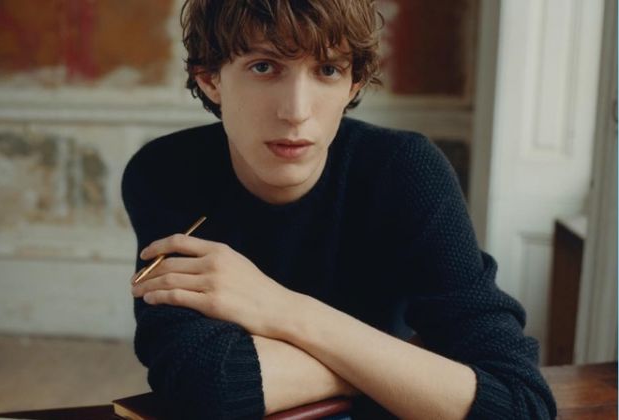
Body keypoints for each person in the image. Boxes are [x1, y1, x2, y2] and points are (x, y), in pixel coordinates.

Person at [121, 0, 557, 418]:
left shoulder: (405, 170)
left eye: (327, 70)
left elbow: (518, 402)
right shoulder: (166, 173)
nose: (296, 111)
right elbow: (205, 387)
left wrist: (279, 307)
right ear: (210, 78)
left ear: (353, 83)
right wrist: (400, 368)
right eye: (264, 67)